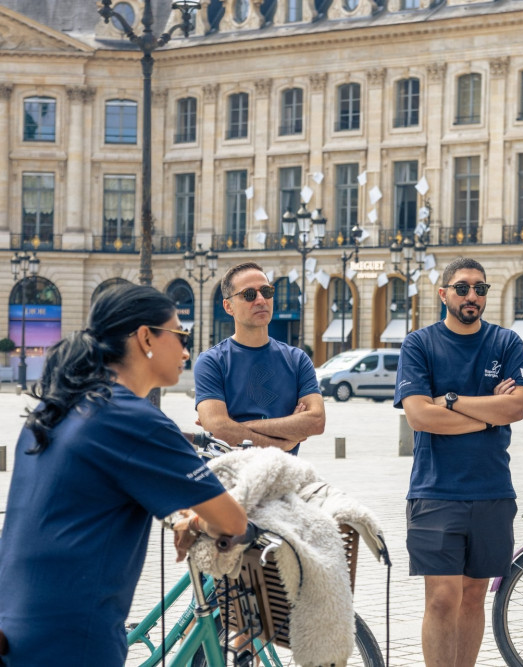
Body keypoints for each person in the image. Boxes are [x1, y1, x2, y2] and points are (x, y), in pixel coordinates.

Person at [0, 284, 247, 665]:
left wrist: (183, 513)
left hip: (16, 620)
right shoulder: (132, 419)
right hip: (72, 637)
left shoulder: (60, 403)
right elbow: (232, 520)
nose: (186, 351)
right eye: (180, 335)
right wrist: (201, 521)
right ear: (146, 337)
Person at [394, 257, 523, 667]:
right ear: (443, 294)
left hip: (492, 490)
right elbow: (419, 416)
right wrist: (489, 414)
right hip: (435, 491)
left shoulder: (506, 343)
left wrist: (451, 401)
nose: (472, 295)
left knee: (473, 598)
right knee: (441, 599)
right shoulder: (419, 344)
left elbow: (518, 408)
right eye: (463, 287)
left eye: (480, 288)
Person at [195, 261, 325, 455]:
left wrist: (239, 427)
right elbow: (219, 429)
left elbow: (316, 421)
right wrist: (285, 442)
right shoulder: (211, 362)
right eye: (249, 295)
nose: (261, 300)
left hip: (283, 478)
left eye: (266, 291)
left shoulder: (298, 360)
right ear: (228, 306)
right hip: (230, 478)